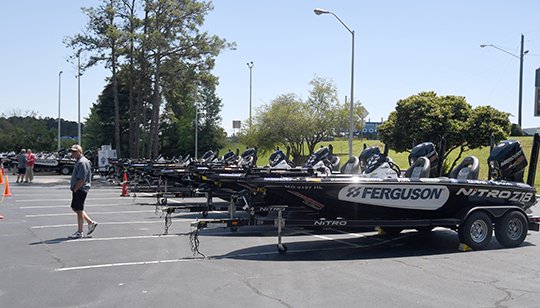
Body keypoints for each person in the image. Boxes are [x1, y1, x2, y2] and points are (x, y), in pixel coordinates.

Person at [68, 144, 98, 239]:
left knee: (79, 210)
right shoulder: (79, 161)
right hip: (79, 188)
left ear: (80, 152)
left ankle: (80, 231)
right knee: (75, 208)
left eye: (75, 152)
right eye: (72, 151)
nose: (72, 153)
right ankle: (90, 222)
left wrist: (76, 188)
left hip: (81, 189)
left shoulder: (82, 162)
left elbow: (82, 178)